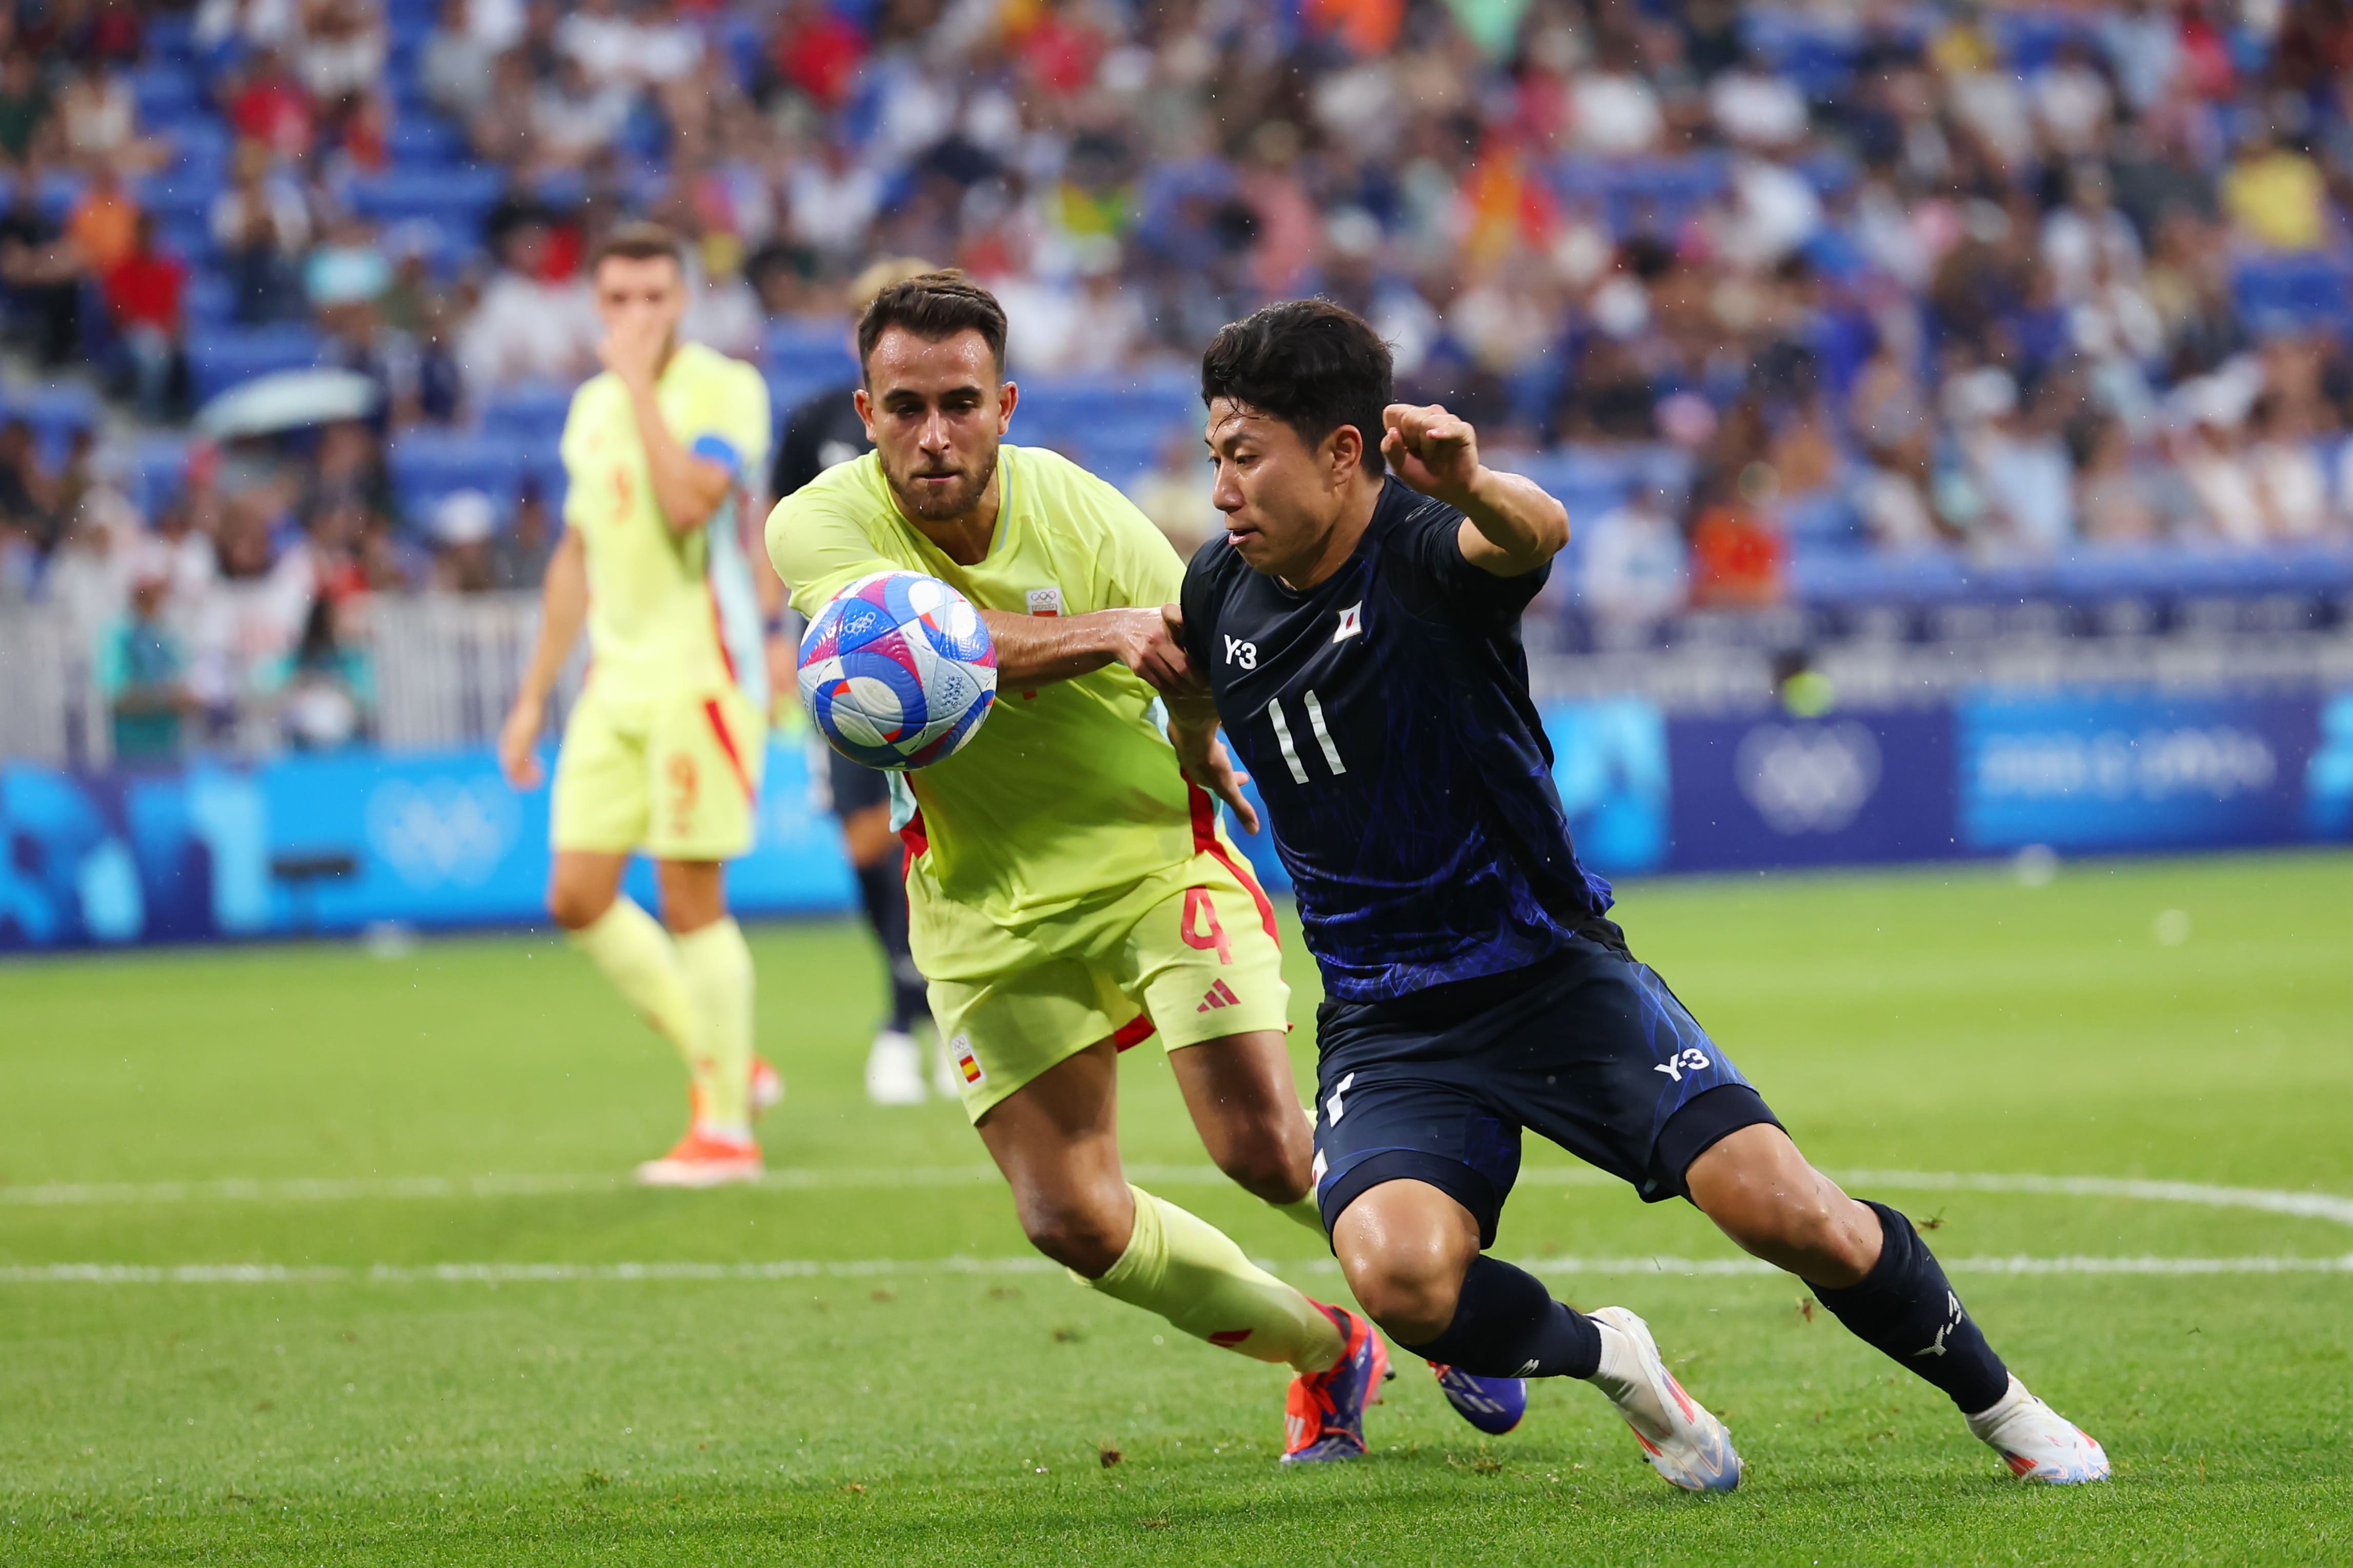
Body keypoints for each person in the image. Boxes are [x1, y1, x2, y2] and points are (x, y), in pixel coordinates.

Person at [1176, 299, 2112, 1486]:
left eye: (1245, 457)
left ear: (1344, 453)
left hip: (1549, 973)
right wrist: (1199, 745)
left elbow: (1530, 536)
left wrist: (1471, 483)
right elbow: (1195, 668)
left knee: (1788, 1215)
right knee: (1400, 1280)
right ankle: (1614, 1356)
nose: (1222, 490)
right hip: (1388, 1015)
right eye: (1217, 457)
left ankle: (2006, 1410)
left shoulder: (1422, 547)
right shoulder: (1222, 584)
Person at [766, 271, 1385, 1463]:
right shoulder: (820, 523)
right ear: (864, 410)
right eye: (904, 407)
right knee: (1071, 1220)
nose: (933, 435)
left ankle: (1433, 1293)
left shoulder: (1084, 513)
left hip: (1150, 860)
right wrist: (1101, 633)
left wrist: (1201, 742)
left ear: (1006, 404)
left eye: (959, 403)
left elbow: (1195, 642)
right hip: (982, 900)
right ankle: (1326, 1350)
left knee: (1260, 1148)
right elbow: (908, 643)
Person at [497, 221, 783, 1187]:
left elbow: (688, 504)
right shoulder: (587, 411)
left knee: (689, 895)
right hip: (612, 685)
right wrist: (534, 696)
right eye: (616, 300)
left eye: (653, 298)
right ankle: (725, 1055)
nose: (634, 317)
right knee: (576, 894)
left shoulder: (724, 391)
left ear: (683, 300)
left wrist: (634, 389)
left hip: (701, 675)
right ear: (595, 303)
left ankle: (726, 1130)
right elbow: (576, 555)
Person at [771, 255, 944, 1103]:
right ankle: (914, 999)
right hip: (841, 671)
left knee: (941, 841)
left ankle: (914, 1017)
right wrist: (781, 640)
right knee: (866, 843)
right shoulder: (812, 427)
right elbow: (781, 540)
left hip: (943, 667)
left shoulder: (948, 429)